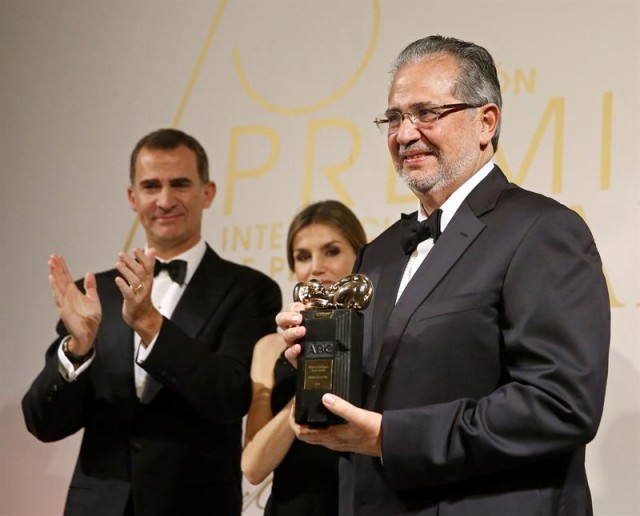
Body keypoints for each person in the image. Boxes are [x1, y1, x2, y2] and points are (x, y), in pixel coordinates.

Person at [277, 35, 610, 515]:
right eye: (394, 117)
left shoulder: (542, 231)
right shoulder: (381, 251)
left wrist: (393, 437)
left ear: (485, 122)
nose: (404, 133)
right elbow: (381, 386)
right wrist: (313, 356)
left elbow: (559, 403)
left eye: (426, 113)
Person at [22, 128, 282, 516]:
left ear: (207, 192)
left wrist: (150, 324)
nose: (164, 200)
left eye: (180, 184)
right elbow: (43, 423)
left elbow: (229, 398)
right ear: (132, 197)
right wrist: (77, 350)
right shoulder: (96, 294)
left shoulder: (248, 290)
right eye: (150, 186)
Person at [241, 200, 367, 515]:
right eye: (303, 256)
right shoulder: (270, 347)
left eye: (332, 251)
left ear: (360, 254)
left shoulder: (379, 338)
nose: (316, 267)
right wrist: (308, 382)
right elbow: (253, 467)